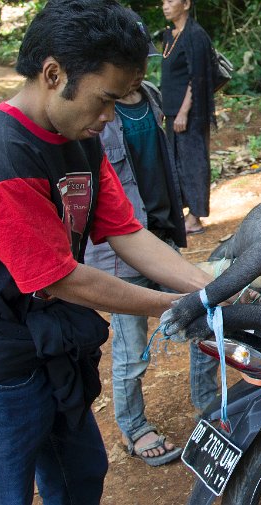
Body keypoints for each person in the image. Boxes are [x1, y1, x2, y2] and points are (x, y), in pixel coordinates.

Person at [0, 1, 214, 502]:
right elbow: (60, 277)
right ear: (54, 74)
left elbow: (126, 232)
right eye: (105, 100)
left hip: (55, 350)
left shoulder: (82, 140)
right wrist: (176, 307)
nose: (109, 119)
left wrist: (209, 288)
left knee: (79, 479)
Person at [84, 54, 217, 464]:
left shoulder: (153, 98)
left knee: (202, 319)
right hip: (121, 250)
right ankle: (134, 427)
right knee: (131, 349)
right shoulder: (96, 117)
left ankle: (208, 406)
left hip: (159, 236)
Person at [161, 0, 216, 235]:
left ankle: (195, 217)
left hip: (190, 114)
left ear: (186, 4)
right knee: (176, 163)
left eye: (171, 1)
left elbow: (198, 78)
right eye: (163, 2)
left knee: (193, 162)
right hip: (172, 111)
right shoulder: (169, 35)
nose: (165, 6)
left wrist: (184, 111)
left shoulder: (195, 35)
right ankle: (185, 212)